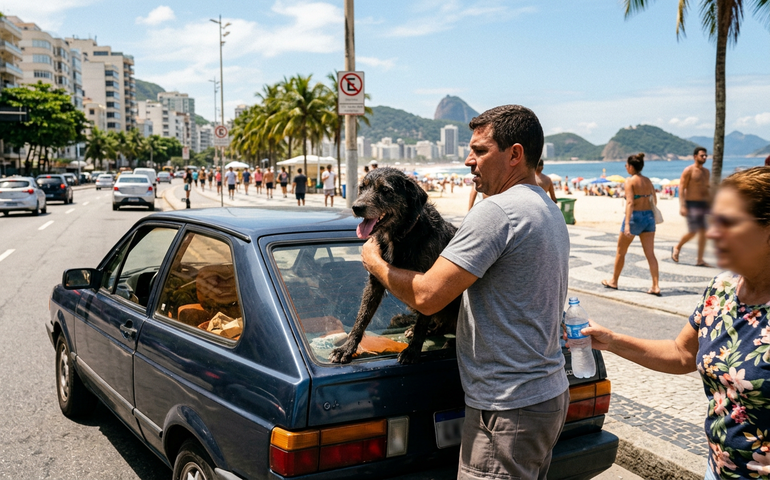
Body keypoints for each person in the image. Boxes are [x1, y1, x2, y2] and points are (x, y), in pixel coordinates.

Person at [360, 105, 570, 480]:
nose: (469, 161)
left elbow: (427, 297)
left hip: (506, 405)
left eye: (480, 151)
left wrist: (375, 262)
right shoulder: (547, 209)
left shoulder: (497, 213)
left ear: (515, 154)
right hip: (545, 394)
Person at [582, 167, 770, 480]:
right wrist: (612, 340)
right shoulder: (721, 290)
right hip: (716, 470)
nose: (711, 232)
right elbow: (682, 353)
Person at [601, 153, 661, 295]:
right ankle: (655, 286)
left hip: (635, 217)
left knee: (621, 252)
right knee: (650, 254)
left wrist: (627, 224)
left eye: (626, 165)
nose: (626, 168)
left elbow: (630, 202)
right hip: (649, 217)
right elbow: (655, 200)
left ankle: (614, 281)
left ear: (631, 167)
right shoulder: (648, 181)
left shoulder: (630, 181)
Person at [672, 147, 712, 266]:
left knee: (704, 232)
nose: (704, 157)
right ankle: (677, 247)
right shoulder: (689, 170)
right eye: (702, 155)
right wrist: (683, 206)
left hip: (703, 204)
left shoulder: (706, 172)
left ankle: (700, 259)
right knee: (693, 231)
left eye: (706, 156)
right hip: (691, 204)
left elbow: (706, 189)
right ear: (695, 157)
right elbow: (681, 188)